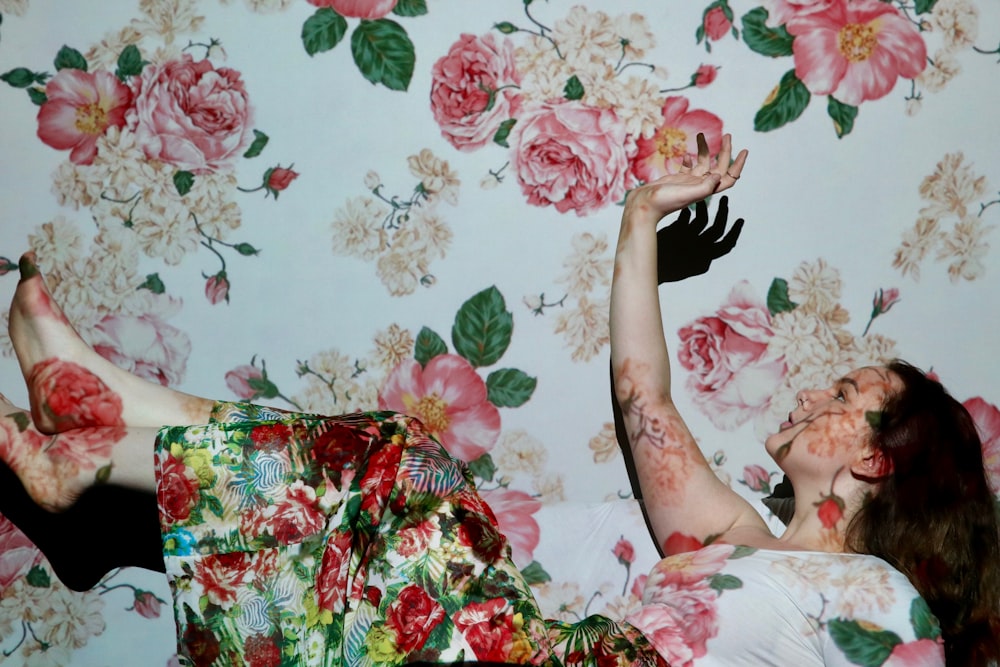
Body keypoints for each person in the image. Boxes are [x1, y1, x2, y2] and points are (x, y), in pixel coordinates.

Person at [1, 134, 997, 666]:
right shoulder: (732, 541)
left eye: (849, 392)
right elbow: (640, 393)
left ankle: (100, 428)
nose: (811, 386)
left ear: (876, 458)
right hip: (525, 650)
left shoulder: (883, 601)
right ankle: (98, 422)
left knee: (407, 467)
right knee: (372, 478)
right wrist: (641, 216)